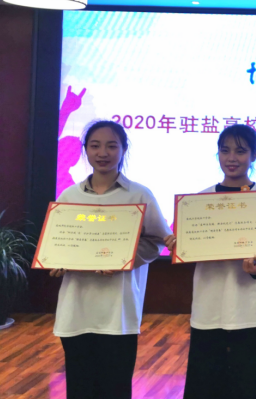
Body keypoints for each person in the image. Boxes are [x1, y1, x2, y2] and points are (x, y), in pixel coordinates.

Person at [165, 124, 256, 400]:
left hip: (250, 306)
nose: (232, 158)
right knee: (207, 384)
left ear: (254, 155)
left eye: (240, 151)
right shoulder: (199, 201)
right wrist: (179, 245)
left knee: (252, 385)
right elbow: (190, 247)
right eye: (225, 151)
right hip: (209, 305)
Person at [50, 120, 172, 400]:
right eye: (95, 146)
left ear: (123, 149)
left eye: (111, 146)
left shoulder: (139, 194)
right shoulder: (69, 195)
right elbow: (59, 244)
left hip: (118, 312)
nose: (102, 153)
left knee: (115, 387)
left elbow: (157, 241)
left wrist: (122, 260)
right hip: (76, 310)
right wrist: (56, 261)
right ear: (85, 150)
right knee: (79, 387)